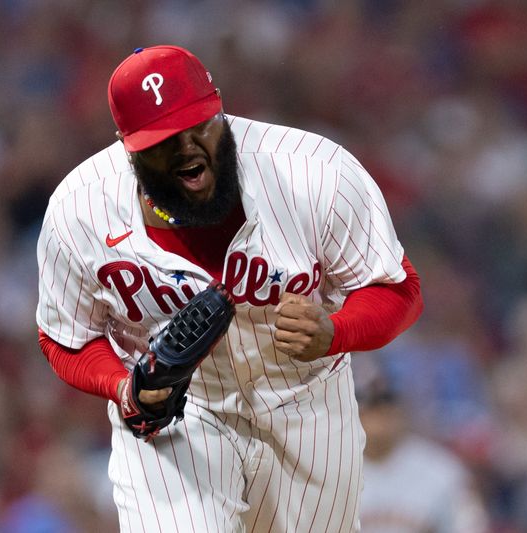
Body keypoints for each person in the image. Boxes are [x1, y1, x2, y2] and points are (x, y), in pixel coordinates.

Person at [35, 45, 423, 532]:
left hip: (304, 399)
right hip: (179, 412)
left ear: (219, 107)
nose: (187, 149)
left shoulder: (313, 172)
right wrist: (124, 388)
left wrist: (337, 330)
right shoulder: (80, 210)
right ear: (126, 145)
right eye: (162, 140)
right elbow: (64, 336)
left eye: (198, 125)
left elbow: (398, 289)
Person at [355, 356, 489, 533]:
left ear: (401, 409)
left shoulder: (442, 470)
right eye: (372, 406)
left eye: (387, 402)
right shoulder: (334, 470)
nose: (379, 416)